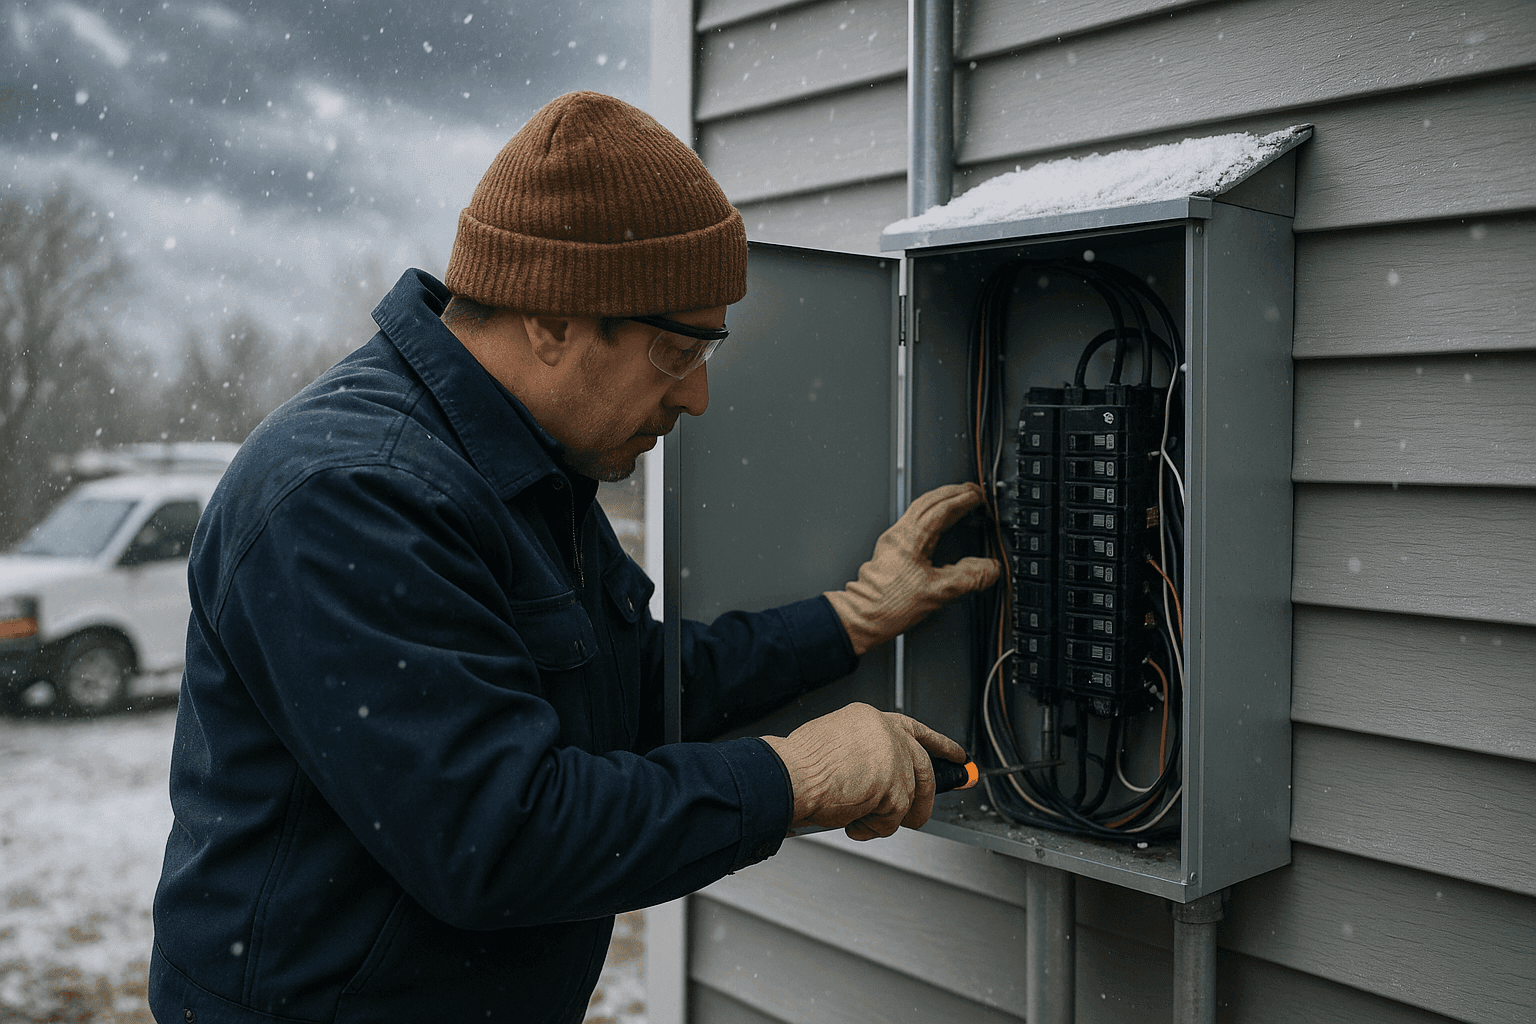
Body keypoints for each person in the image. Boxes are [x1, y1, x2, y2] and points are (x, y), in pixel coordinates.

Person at [149, 91, 998, 1024]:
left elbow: (620, 689)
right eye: (680, 350)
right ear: (553, 321)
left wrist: (856, 616)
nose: (700, 398)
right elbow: (497, 835)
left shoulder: (512, 467)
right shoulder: (350, 495)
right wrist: (792, 778)